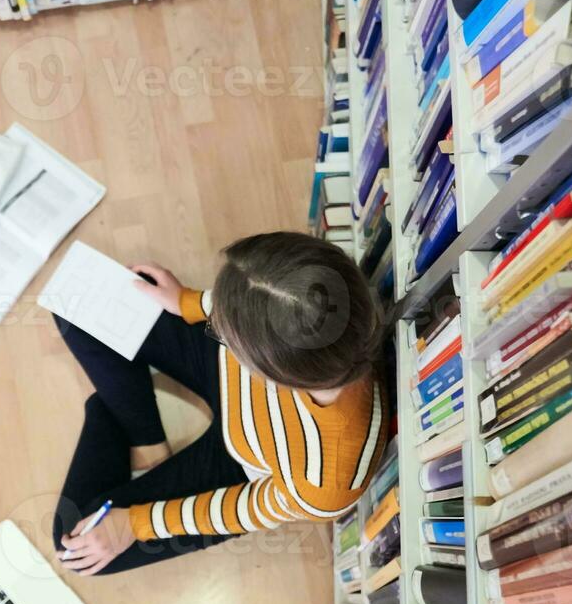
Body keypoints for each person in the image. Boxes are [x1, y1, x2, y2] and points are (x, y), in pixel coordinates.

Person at [52, 231, 393, 575]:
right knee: (76, 294)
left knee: (71, 542)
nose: (215, 323)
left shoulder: (327, 482)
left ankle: (119, 404)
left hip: (239, 460)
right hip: (250, 358)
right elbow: (264, 294)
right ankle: (146, 438)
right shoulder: (338, 304)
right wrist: (189, 302)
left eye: (224, 328)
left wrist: (136, 523)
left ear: (268, 377)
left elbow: (245, 509)